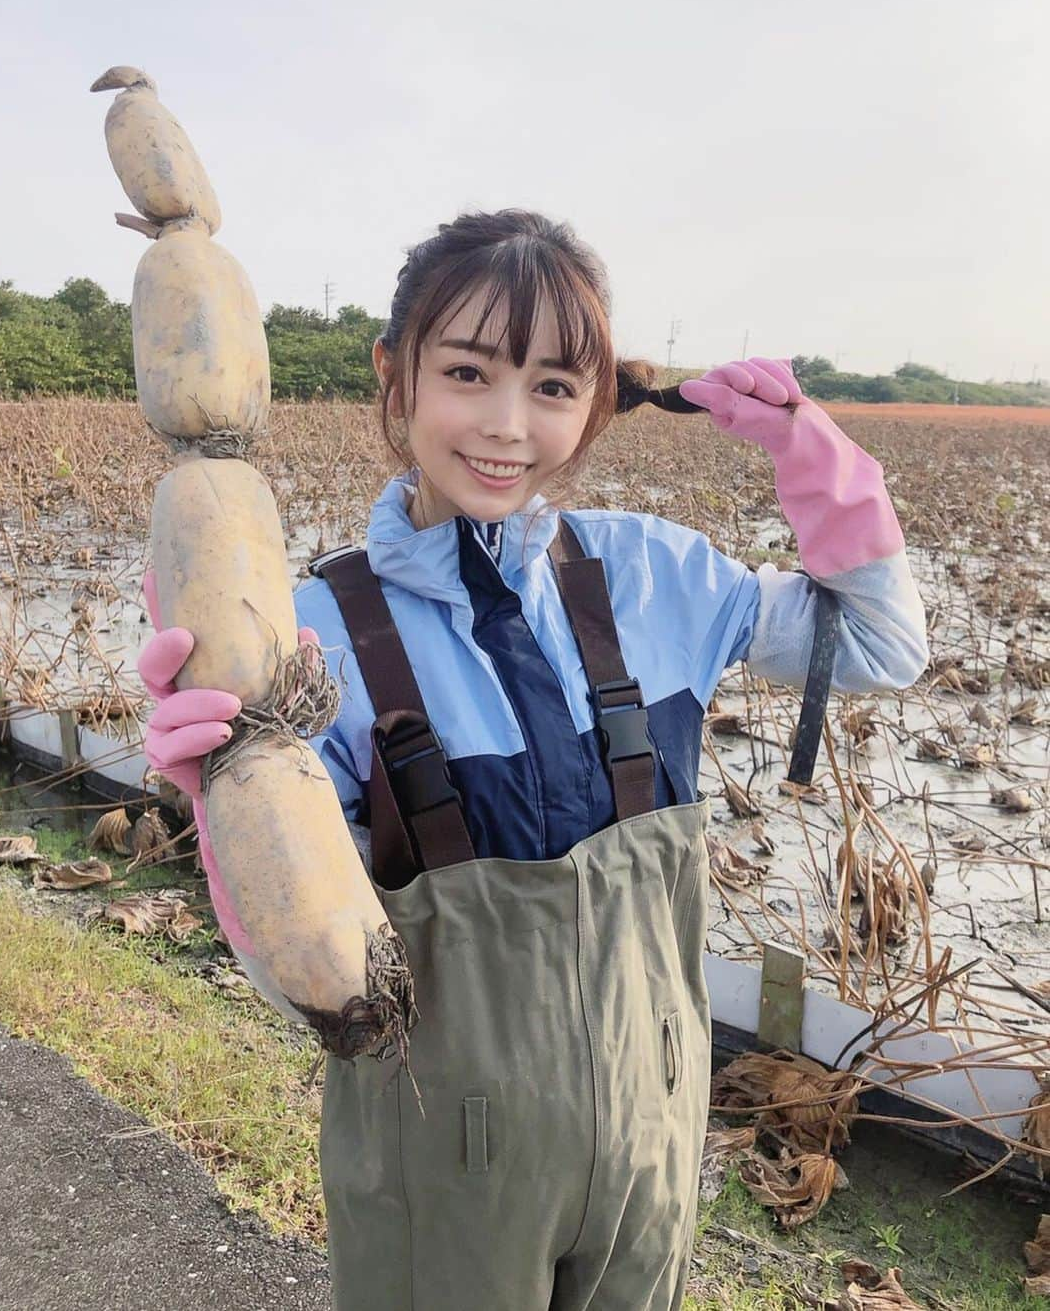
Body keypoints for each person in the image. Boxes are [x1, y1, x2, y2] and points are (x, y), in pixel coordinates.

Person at [138, 209, 928, 1311]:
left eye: (555, 387)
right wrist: (223, 798)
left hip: (654, 1141)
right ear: (395, 375)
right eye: (469, 372)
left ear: (594, 401)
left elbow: (887, 648)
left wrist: (814, 450)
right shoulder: (310, 634)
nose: (508, 427)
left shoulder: (656, 576)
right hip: (440, 1176)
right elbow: (315, 980)